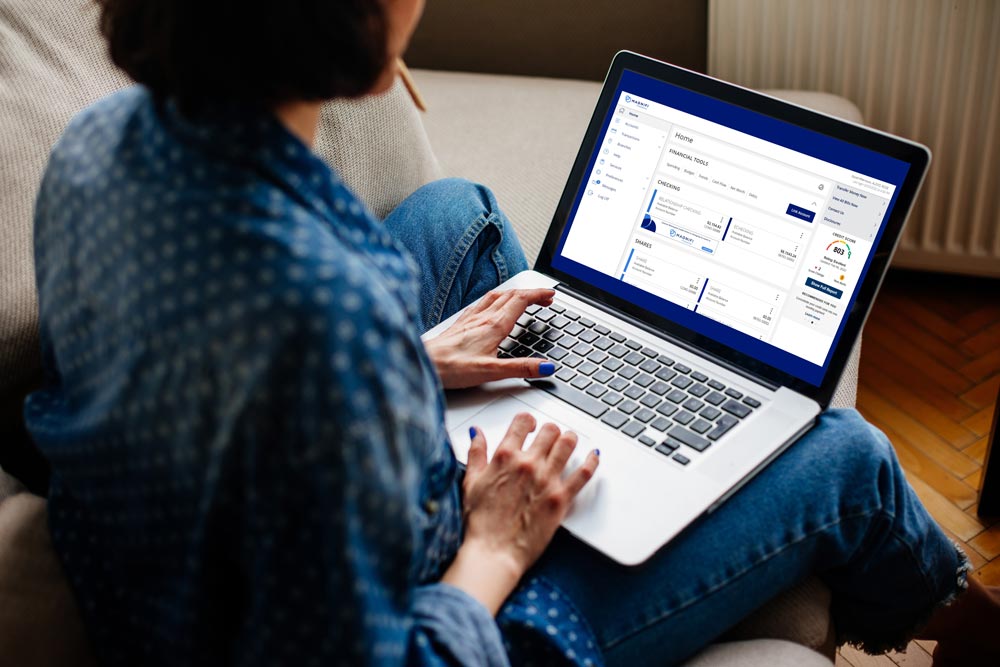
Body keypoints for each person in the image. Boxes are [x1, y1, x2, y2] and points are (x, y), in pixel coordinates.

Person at [24, 0, 999, 665]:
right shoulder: (330, 314)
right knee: (846, 457)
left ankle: (594, 414)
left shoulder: (99, 146)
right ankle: (948, 619)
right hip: (396, 606)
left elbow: (206, 368)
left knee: (458, 212)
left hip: (176, 532)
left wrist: (410, 368)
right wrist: (495, 538)